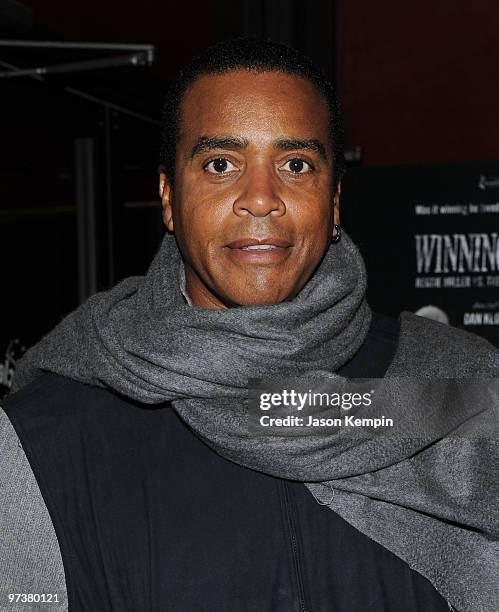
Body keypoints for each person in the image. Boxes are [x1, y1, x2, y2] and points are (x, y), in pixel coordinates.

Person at [1, 38, 497, 612]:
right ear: (167, 197)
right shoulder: (45, 437)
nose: (261, 198)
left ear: (334, 201)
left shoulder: (465, 387)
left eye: (295, 165)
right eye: (220, 164)